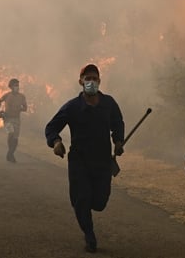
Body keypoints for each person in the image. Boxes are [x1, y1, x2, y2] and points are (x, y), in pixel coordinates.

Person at [45, 64, 125, 253]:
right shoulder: (72, 107)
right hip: (79, 162)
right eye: (87, 78)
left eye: (94, 78)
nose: (91, 82)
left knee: (99, 202)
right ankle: (89, 235)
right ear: (80, 81)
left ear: (99, 81)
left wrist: (118, 141)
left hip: (103, 161)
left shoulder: (109, 103)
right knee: (82, 199)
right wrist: (56, 142)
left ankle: (86, 207)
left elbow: (117, 123)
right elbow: (51, 127)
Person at [0, 78, 27, 163]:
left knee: (15, 138)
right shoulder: (7, 95)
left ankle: (10, 153)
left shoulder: (22, 97)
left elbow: (25, 108)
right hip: (7, 119)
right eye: (15, 85)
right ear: (11, 87)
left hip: (16, 119)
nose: (17, 87)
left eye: (18, 85)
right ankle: (10, 153)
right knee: (10, 135)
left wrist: (20, 109)